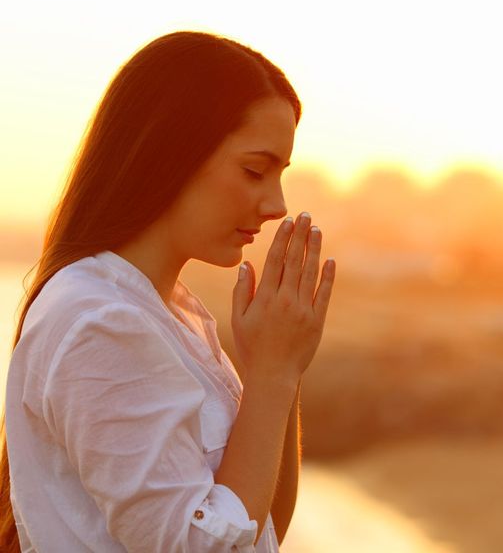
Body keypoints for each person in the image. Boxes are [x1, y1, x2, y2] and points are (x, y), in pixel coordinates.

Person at [0, 30, 336, 552]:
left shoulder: (173, 315)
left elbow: (259, 532)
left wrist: (277, 374)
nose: (276, 204)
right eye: (254, 170)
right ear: (169, 152)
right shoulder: (97, 320)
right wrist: (270, 376)